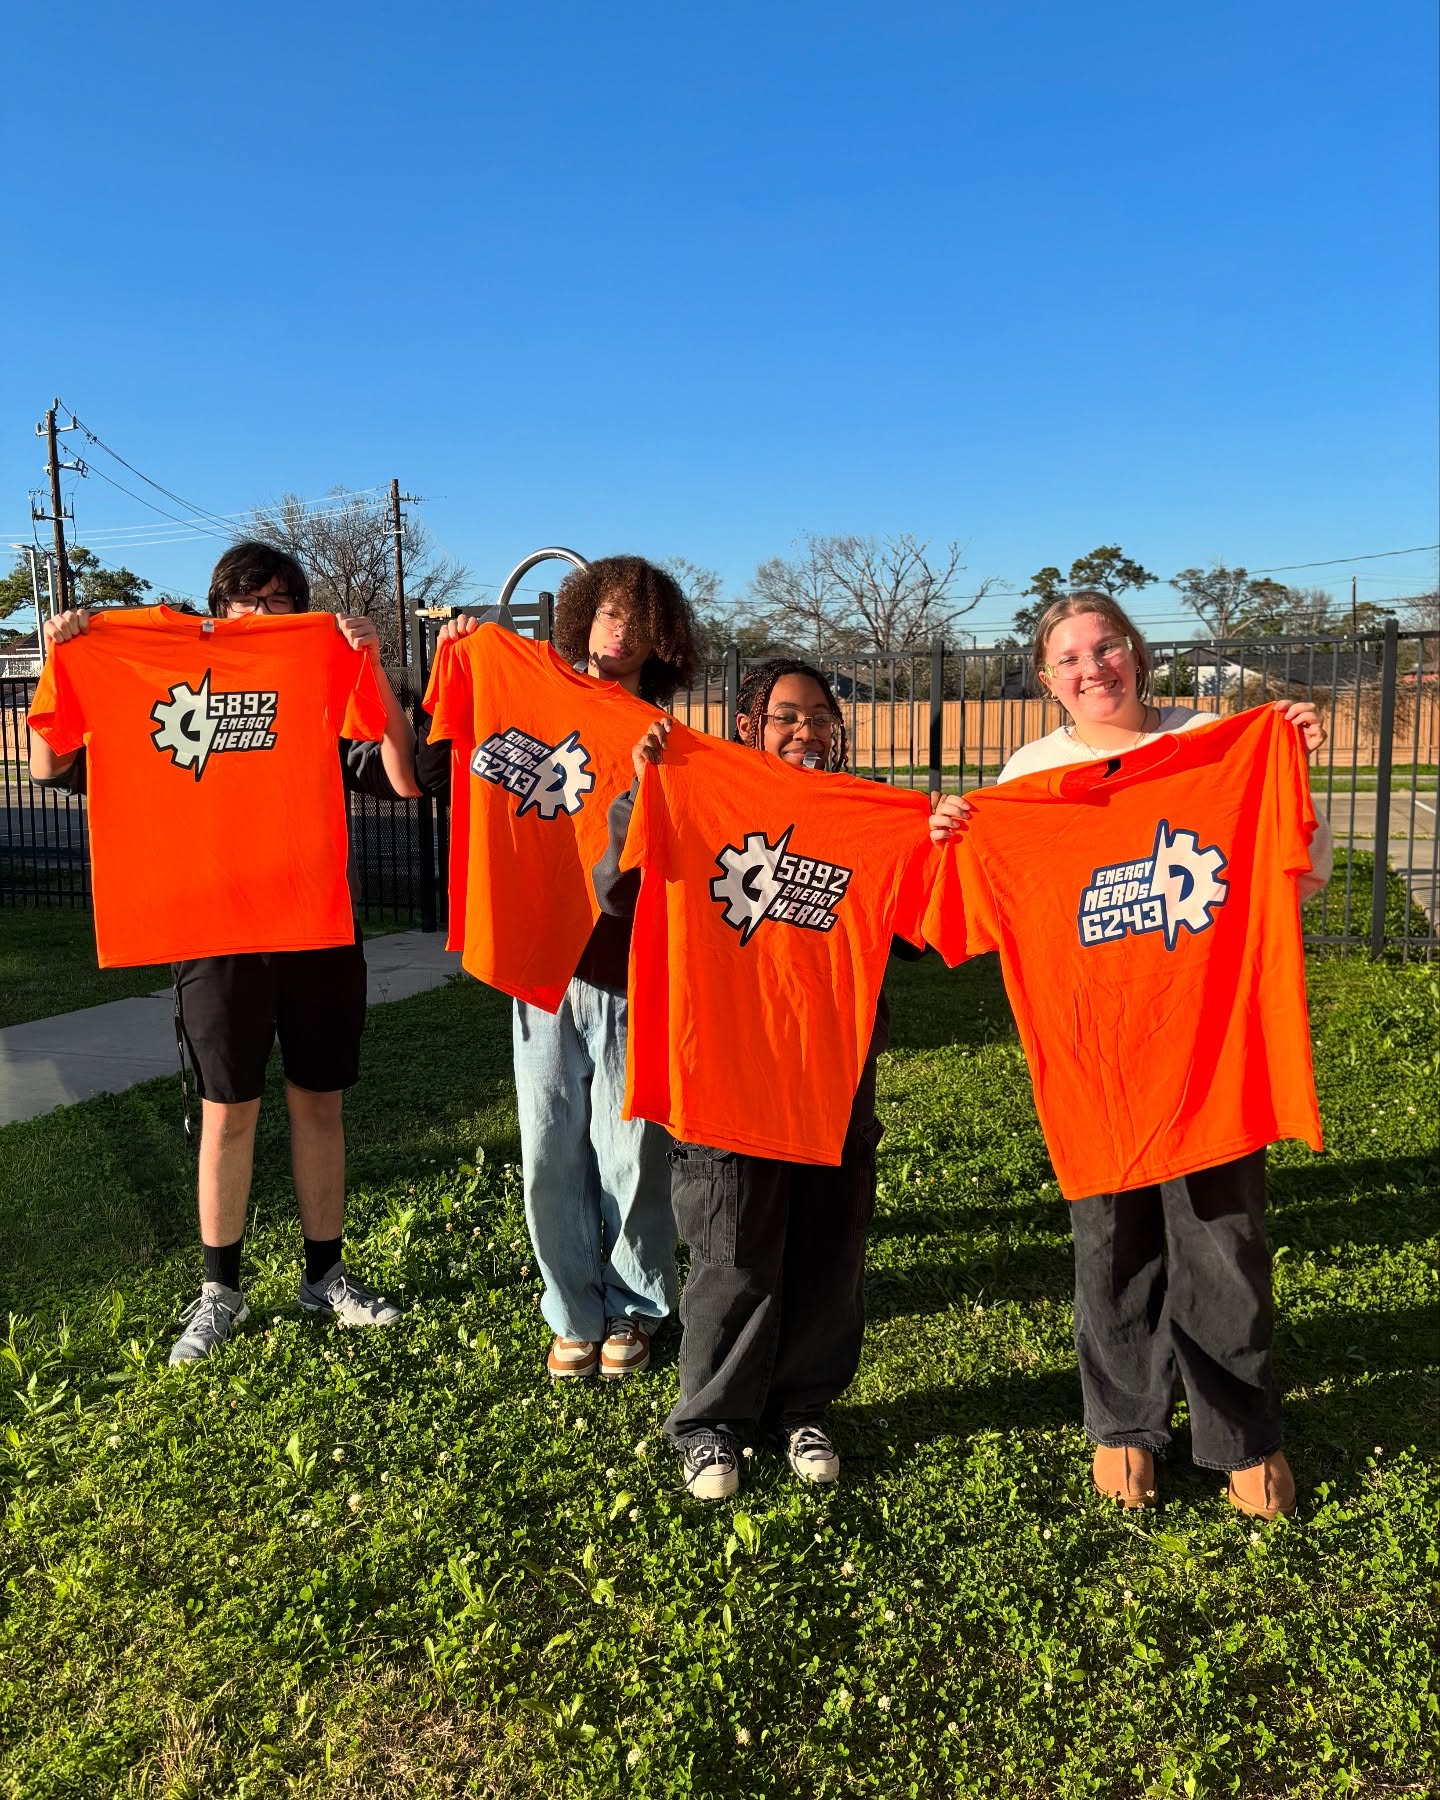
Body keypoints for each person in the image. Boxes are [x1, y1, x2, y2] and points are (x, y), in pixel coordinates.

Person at [930, 590, 1331, 1521]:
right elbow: (974, 910)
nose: (1091, 668)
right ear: (1046, 680)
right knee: (1109, 1245)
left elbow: (1282, 881)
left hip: (1209, 1041)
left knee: (1223, 1242)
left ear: (1137, 653)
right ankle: (1123, 1428)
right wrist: (959, 837)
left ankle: (1242, 1433)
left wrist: (1286, 759)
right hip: (1095, 1054)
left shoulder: (1216, 743)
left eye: (1104, 648)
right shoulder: (1025, 777)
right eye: (1068, 659)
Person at [30, 542, 419, 1365]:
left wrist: (370, 661)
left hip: (315, 926)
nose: (262, 617)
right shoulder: (153, 672)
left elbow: (403, 775)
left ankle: (325, 1275)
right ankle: (221, 1291)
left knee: (320, 1103)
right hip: (213, 931)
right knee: (227, 1113)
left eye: (281, 603)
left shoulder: (318, 671)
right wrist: (62, 652)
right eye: (247, 601)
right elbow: (50, 761)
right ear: (218, 608)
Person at [604, 657, 921, 1500]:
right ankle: (709, 1422)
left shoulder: (869, 812)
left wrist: (937, 833)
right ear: (749, 727)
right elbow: (616, 888)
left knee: (828, 1249)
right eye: (785, 715)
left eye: (821, 714)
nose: (806, 729)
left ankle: (801, 1404)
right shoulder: (693, 788)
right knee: (733, 1251)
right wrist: (644, 790)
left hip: (832, 1071)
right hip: (729, 1068)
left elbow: (924, 926)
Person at [423, 557, 698, 1382]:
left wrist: (658, 775)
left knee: (630, 1151)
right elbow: (441, 773)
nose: (619, 632)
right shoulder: (518, 686)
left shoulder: (663, 734)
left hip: (622, 967)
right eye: (608, 613)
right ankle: (572, 1308)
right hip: (536, 959)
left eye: (637, 621)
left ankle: (638, 1305)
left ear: (663, 640)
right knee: (548, 1147)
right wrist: (458, 653)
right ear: (580, 616)